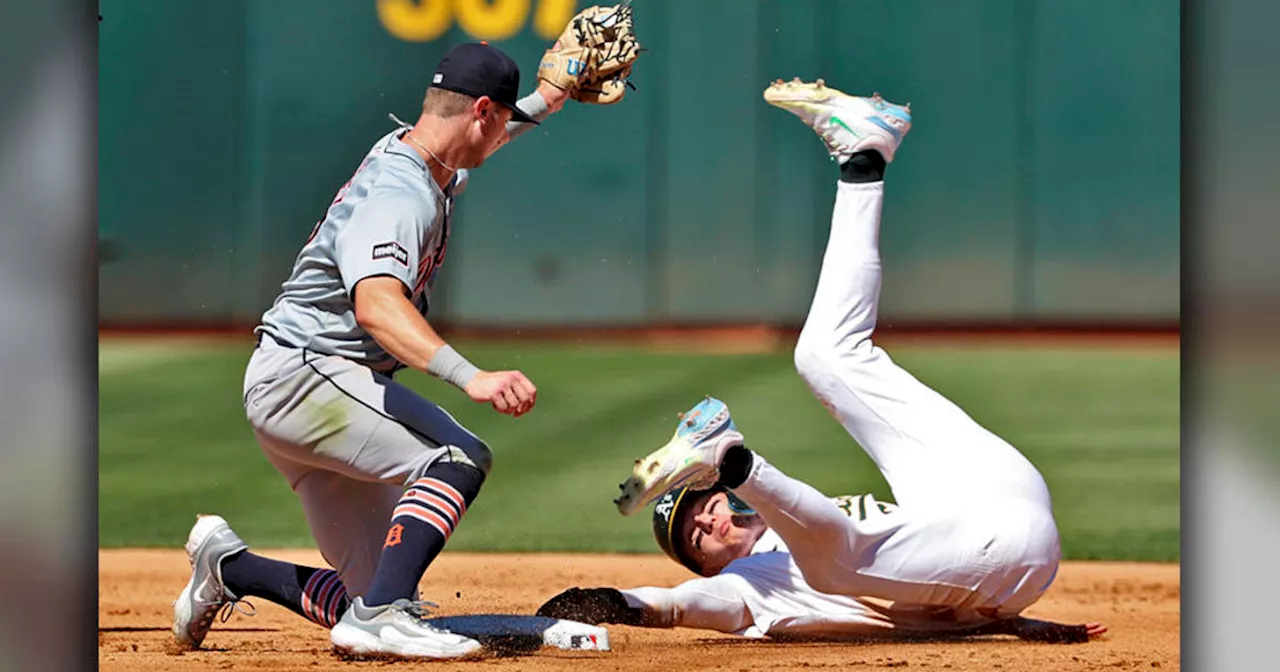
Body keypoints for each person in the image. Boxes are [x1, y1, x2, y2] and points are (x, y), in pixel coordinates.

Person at [538, 78, 1106, 644]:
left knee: (826, 356)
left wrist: (1005, 605)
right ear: (709, 566)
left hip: (992, 498)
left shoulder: (805, 524)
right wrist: (605, 603)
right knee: (832, 564)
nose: (706, 521)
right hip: (1001, 565)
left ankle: (863, 158)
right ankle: (731, 457)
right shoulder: (750, 582)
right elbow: (677, 605)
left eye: (702, 505)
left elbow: (930, 563)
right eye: (694, 536)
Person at [171, 9, 639, 660]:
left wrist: (547, 100)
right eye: (499, 117)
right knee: (457, 458)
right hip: (309, 378)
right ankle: (382, 616)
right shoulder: (402, 194)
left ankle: (230, 567)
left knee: (367, 591)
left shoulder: (421, 157)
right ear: (480, 110)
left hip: (308, 384)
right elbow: (378, 308)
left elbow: (485, 140)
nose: (502, 130)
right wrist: (471, 377)